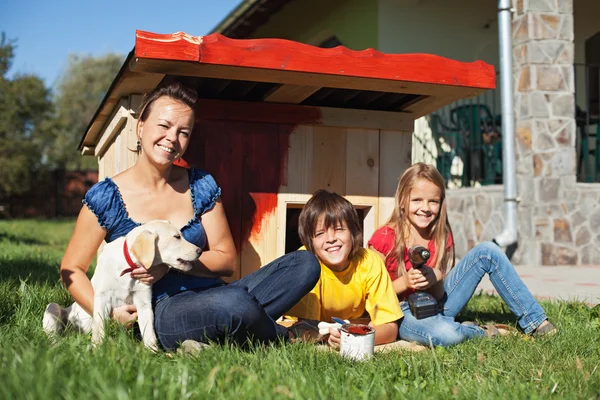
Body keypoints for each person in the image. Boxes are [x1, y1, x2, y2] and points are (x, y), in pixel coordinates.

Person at [60, 81, 320, 351]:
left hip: (215, 292)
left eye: (183, 132)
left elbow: (227, 260)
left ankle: (224, 332)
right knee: (236, 304)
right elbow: (72, 269)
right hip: (158, 307)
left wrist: (167, 265)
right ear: (140, 126)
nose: (172, 138)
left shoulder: (200, 184)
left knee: (304, 264)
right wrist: (110, 315)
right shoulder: (107, 196)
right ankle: (280, 335)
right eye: (164, 125)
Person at [368, 162, 557, 347]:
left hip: (437, 304)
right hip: (402, 313)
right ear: (402, 201)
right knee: (446, 334)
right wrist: (405, 283)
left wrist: (436, 278)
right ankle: (481, 332)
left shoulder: (440, 237)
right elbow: (369, 294)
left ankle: (536, 322)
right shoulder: (384, 238)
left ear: (441, 203)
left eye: (433, 201)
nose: (425, 207)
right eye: (417, 200)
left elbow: (439, 295)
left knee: (487, 251)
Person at [286, 190, 402, 349]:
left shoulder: (369, 262)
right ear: (309, 242)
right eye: (320, 233)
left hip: (351, 327)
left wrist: (355, 339)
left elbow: (389, 328)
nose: (331, 238)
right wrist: (329, 335)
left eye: (339, 229)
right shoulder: (306, 265)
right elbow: (305, 328)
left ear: (354, 232)